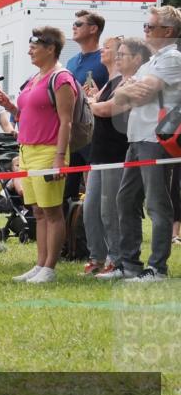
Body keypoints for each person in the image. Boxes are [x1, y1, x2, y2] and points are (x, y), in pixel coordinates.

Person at [0, 26, 77, 283]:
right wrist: (10, 106)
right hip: (27, 150)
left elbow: (67, 122)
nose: (29, 50)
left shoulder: (61, 78)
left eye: (34, 46)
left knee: (52, 212)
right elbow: (28, 115)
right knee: (38, 212)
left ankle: (50, 267)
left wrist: (58, 158)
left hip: (49, 151)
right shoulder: (34, 78)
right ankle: (39, 264)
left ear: (50, 48)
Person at [107, 5, 181, 281]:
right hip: (137, 138)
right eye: (145, 26)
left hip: (156, 138)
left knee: (157, 204)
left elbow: (143, 89)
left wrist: (131, 90)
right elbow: (122, 95)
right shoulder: (152, 61)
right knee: (125, 200)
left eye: (150, 27)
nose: (146, 31)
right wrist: (130, 90)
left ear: (168, 32)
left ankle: (157, 268)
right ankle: (129, 264)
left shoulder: (172, 58)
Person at [81, 36, 131, 276]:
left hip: (115, 152)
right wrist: (93, 99)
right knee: (91, 209)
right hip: (98, 154)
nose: (102, 51)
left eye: (107, 48)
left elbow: (104, 110)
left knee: (109, 210)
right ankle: (97, 257)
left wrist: (91, 102)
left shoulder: (124, 82)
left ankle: (117, 259)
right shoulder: (108, 81)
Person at [64, 10, 109, 201]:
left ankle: (90, 230)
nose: (74, 26)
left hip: (96, 134)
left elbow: (117, 88)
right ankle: (70, 231)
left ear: (93, 29)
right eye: (74, 23)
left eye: (79, 24)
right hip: (72, 133)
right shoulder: (71, 61)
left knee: (93, 195)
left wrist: (99, 95)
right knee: (67, 193)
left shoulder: (105, 59)